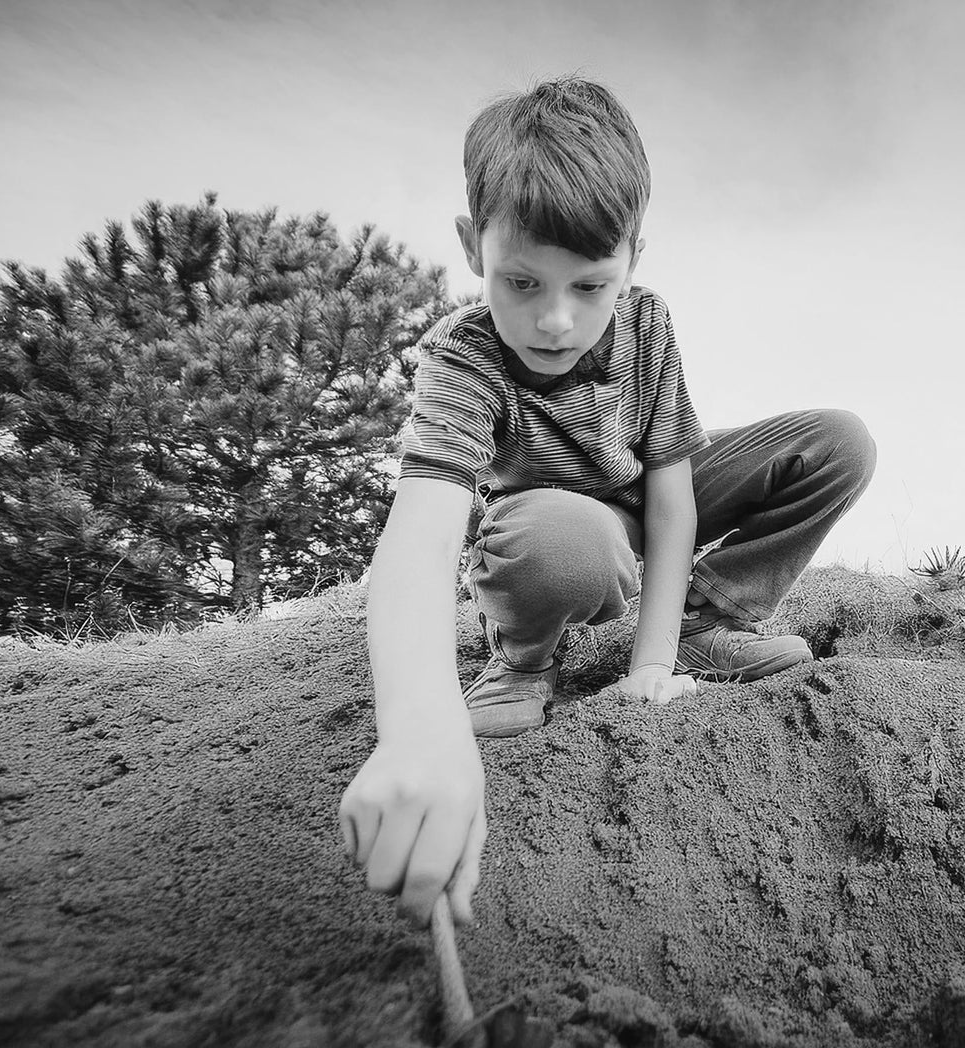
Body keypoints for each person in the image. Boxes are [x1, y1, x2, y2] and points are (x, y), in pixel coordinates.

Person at [338, 76, 876, 929]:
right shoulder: (463, 358)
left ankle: (708, 624)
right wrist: (415, 726)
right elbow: (421, 534)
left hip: (638, 502)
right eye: (522, 282)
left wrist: (650, 665)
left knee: (839, 442)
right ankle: (521, 658)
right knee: (571, 537)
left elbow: (671, 501)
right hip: (553, 524)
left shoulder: (647, 325)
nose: (555, 320)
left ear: (633, 258)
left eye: (590, 286)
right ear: (472, 246)